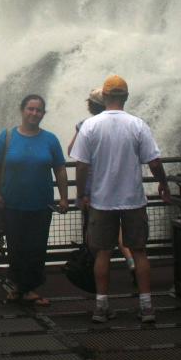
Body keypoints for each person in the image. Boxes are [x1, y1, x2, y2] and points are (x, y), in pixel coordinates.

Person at [70, 75, 172, 323]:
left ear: (104, 96)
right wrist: (163, 184)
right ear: (126, 96)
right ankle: (146, 307)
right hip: (133, 200)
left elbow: (81, 165)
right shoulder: (138, 125)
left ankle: (101, 307)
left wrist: (82, 194)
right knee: (139, 251)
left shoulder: (90, 126)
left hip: (101, 201)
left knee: (103, 252)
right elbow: (154, 162)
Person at [0, 94, 68, 306]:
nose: (34, 113)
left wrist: (64, 198)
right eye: (30, 109)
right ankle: (19, 287)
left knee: (36, 248)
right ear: (22, 110)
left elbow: (60, 169)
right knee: (16, 247)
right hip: (11, 204)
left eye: (38, 110)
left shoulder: (50, 139)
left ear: (43, 114)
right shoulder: (6, 137)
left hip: (41, 204)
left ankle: (29, 288)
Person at [68, 87, 137, 281]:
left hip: (93, 188)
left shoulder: (85, 125)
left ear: (90, 106)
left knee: (97, 235)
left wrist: (82, 194)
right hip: (119, 185)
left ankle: (95, 276)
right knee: (120, 228)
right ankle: (131, 259)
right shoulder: (125, 123)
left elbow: (72, 151)